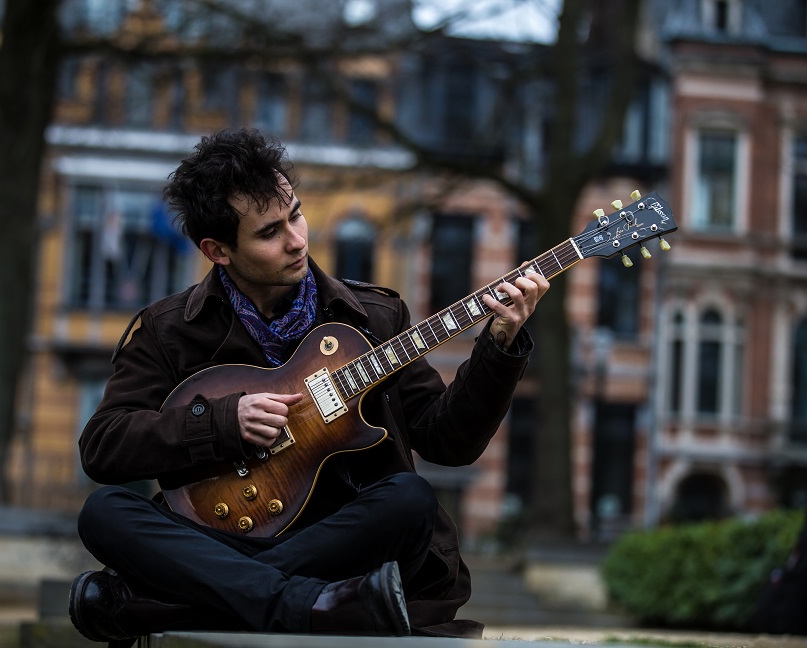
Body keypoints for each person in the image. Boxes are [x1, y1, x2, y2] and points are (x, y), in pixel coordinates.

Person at [68, 127, 549, 646]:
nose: (298, 240)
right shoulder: (169, 331)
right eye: (270, 232)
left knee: (410, 499)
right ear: (217, 250)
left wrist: (498, 346)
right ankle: (308, 604)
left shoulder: (373, 316)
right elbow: (102, 447)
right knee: (104, 512)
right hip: (221, 538)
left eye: (295, 214)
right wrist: (224, 422)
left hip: (342, 545)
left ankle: (191, 603)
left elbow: (447, 443)